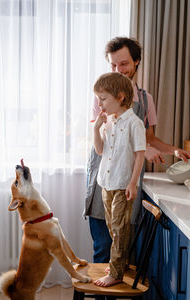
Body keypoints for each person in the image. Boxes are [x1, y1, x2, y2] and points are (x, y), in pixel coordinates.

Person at [84, 37, 190, 267]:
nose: (118, 70)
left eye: (123, 64)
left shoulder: (145, 99)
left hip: (125, 181)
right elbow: (104, 137)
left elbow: (149, 138)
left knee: (123, 247)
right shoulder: (101, 96)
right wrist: (143, 147)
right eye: (112, 65)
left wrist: (174, 150)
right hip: (102, 178)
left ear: (136, 62)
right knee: (103, 249)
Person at [93, 72, 146, 287]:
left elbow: (139, 154)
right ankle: (120, 263)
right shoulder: (110, 122)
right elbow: (99, 150)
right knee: (111, 226)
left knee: (120, 228)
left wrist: (133, 183)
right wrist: (96, 128)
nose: (100, 104)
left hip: (123, 184)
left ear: (121, 97)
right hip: (106, 183)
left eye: (103, 99)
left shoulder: (134, 123)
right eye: (98, 99)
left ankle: (116, 273)